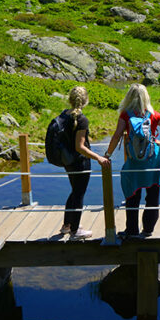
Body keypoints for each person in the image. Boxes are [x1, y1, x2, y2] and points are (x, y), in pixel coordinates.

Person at [106, 83, 160, 240]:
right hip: (153, 160)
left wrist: (107, 154)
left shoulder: (126, 114)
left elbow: (117, 136)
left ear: (129, 97)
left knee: (132, 195)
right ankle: (148, 230)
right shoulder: (153, 114)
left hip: (134, 162)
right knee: (153, 196)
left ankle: (131, 230)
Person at [59, 86, 110, 240]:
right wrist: (99, 158)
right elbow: (80, 147)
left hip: (67, 161)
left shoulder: (63, 115)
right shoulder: (81, 119)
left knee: (74, 191)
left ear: (70, 99)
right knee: (79, 194)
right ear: (85, 100)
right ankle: (75, 231)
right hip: (80, 162)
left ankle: (66, 225)